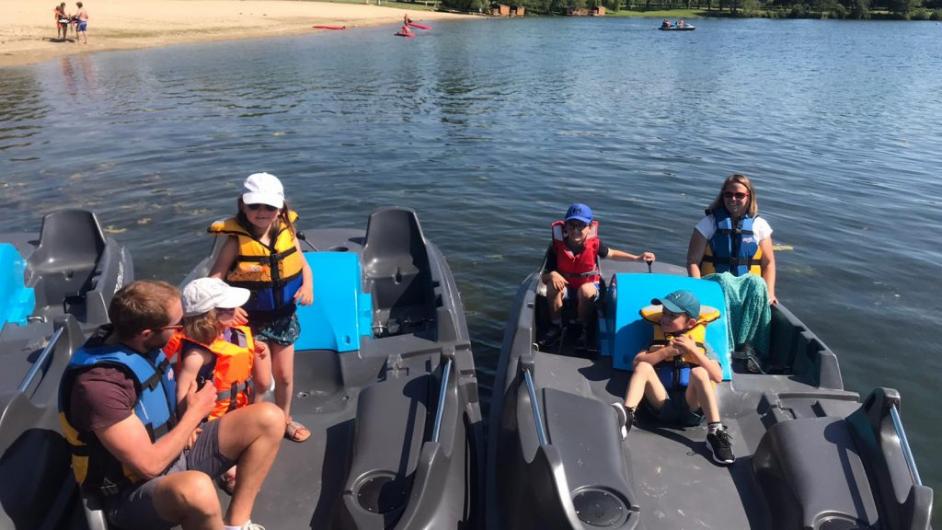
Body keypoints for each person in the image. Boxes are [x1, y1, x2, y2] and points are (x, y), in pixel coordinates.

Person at [58, 280, 284, 530]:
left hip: (178, 451)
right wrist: (194, 415)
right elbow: (149, 466)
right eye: (179, 324)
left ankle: (237, 523)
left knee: (270, 418)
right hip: (130, 492)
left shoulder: (143, 343)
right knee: (197, 489)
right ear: (147, 333)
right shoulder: (99, 388)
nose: (184, 327)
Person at [209, 172, 314, 443]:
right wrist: (226, 309)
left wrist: (308, 286)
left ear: (280, 207)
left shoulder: (287, 232)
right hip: (252, 323)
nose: (262, 212)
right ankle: (254, 426)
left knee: (286, 377)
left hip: (284, 318)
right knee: (262, 381)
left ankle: (284, 418)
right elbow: (215, 279)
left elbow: (302, 263)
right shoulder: (234, 242)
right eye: (255, 205)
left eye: (269, 206)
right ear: (243, 205)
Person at [168, 277, 273, 494]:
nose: (236, 310)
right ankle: (228, 469)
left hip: (238, 405)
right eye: (229, 308)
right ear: (209, 317)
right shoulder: (197, 354)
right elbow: (183, 387)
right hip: (214, 419)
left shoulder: (230, 333)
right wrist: (186, 426)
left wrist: (256, 349)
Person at [611, 290, 735, 465]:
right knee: (644, 366)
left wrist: (694, 352)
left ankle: (715, 432)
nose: (665, 319)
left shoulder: (702, 345)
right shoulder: (657, 342)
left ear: (690, 322)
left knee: (699, 372)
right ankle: (627, 416)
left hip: (691, 407)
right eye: (664, 313)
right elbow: (637, 363)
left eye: (673, 316)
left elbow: (717, 376)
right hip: (662, 404)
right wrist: (665, 352)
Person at [541, 203, 655, 344]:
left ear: (589, 228)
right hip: (566, 285)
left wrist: (637, 258)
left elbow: (612, 254)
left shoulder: (595, 245)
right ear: (565, 227)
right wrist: (552, 274)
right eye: (571, 225)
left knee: (586, 291)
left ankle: (582, 326)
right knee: (552, 286)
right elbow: (544, 276)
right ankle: (556, 325)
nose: (575, 230)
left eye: (581, 226)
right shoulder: (556, 247)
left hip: (588, 285)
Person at [686, 173, 777, 305]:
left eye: (739, 195)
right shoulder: (707, 223)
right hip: (714, 289)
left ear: (749, 196)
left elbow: (768, 264)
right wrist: (700, 291)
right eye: (728, 194)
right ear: (722, 196)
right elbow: (692, 261)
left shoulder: (760, 225)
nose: (733, 199)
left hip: (747, 292)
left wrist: (770, 293)